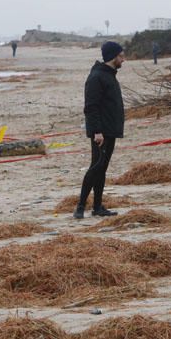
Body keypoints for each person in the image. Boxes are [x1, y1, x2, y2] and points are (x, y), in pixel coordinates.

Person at [74, 41, 125, 219]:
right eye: (121, 55)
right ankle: (80, 206)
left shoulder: (109, 74)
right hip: (101, 132)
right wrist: (97, 131)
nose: (123, 59)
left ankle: (97, 207)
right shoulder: (97, 77)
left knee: (102, 168)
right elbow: (91, 107)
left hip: (110, 129)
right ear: (113, 56)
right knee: (96, 167)